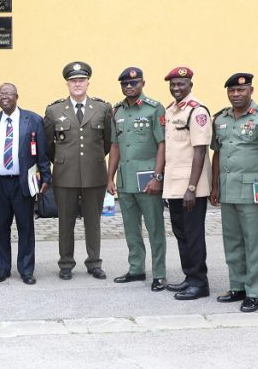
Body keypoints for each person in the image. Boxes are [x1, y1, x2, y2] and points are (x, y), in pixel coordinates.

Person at [210, 72, 258, 313]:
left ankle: (254, 292)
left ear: (251, 91)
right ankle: (237, 286)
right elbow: (217, 154)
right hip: (228, 190)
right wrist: (215, 186)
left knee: (254, 244)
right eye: (231, 90)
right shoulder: (221, 119)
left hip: (254, 192)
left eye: (241, 90)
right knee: (232, 242)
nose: (236, 94)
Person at [44, 62, 112, 280]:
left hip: (94, 174)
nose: (77, 84)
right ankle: (66, 263)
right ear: (67, 84)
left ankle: (94, 263)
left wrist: (93, 159)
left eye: (81, 80)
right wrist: (62, 161)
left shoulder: (102, 108)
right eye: (73, 81)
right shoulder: (54, 110)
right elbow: (48, 145)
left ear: (88, 83)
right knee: (66, 222)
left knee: (93, 222)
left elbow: (107, 142)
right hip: (65, 175)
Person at [0, 83, 50, 283]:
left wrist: (46, 177)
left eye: (9, 93)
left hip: (23, 183)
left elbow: (42, 152)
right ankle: (2, 269)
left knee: (25, 228)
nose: (5, 97)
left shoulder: (33, 120)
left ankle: (26, 270)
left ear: (17, 97)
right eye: (1, 94)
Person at [107, 67, 167, 290]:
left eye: (134, 83)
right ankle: (136, 268)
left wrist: (158, 176)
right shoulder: (117, 111)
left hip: (148, 178)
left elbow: (162, 144)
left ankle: (159, 273)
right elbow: (115, 146)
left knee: (155, 228)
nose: (129, 87)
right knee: (131, 228)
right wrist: (110, 177)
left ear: (143, 84)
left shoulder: (154, 108)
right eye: (125, 84)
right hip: (125, 179)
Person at [160, 67, 213, 300]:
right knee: (181, 233)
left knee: (194, 234)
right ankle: (190, 277)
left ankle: (200, 283)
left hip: (192, 187)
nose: (176, 88)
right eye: (173, 85)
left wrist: (192, 188)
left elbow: (200, 151)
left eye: (181, 84)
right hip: (174, 184)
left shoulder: (197, 111)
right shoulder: (172, 110)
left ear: (190, 85)